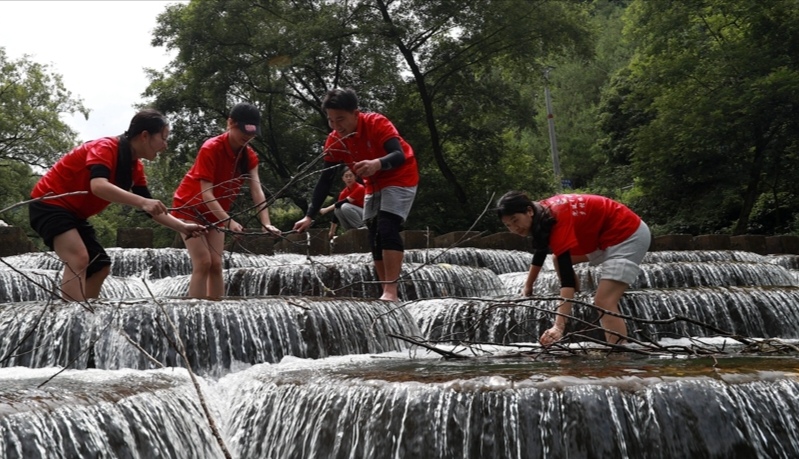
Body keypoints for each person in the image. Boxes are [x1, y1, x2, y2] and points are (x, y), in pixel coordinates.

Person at [28, 109, 207, 302]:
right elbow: (98, 186)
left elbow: (151, 211)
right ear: (145, 136)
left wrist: (183, 227)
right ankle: (71, 320)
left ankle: (85, 314)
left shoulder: (135, 167)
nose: (165, 145)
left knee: (100, 266)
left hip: (74, 215)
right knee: (79, 258)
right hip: (48, 204)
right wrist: (143, 202)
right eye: (163, 138)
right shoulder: (105, 147)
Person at [293, 88, 418, 302]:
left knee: (387, 226)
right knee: (374, 231)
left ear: (356, 113)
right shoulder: (335, 141)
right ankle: (384, 288)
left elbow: (398, 155)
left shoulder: (376, 123)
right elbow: (325, 181)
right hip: (373, 183)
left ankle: (391, 291)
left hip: (400, 177)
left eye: (340, 119)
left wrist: (377, 163)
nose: (336, 126)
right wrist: (310, 215)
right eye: (331, 121)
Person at [496, 191, 650, 345]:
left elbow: (566, 279)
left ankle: (619, 356)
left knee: (604, 301)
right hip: (604, 238)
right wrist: (528, 286)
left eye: (515, 221)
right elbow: (541, 251)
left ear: (529, 211)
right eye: (508, 225)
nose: (514, 228)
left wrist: (558, 327)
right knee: (557, 258)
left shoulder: (557, 218)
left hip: (628, 236)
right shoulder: (542, 213)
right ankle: (576, 294)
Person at [171, 102, 280, 299]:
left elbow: (257, 189)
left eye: (252, 134)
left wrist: (266, 223)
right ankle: (194, 315)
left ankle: (217, 313)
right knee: (203, 262)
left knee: (216, 264)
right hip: (189, 208)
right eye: (243, 131)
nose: (247, 137)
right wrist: (229, 221)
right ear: (230, 123)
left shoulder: (249, 156)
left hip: (217, 211)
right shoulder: (211, 148)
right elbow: (206, 194)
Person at [319, 168, 365, 240]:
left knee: (345, 206)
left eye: (351, 176)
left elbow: (346, 201)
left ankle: (362, 228)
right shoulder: (343, 192)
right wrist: (332, 232)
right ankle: (350, 230)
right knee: (337, 210)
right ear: (343, 178)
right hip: (355, 215)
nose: (349, 178)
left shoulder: (360, 188)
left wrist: (326, 209)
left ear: (355, 177)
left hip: (365, 216)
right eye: (346, 176)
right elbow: (336, 212)